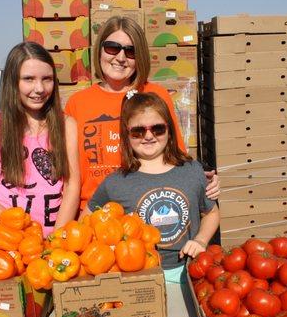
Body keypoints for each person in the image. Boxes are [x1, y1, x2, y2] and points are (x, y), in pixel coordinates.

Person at [64, 16, 219, 211]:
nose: (120, 58)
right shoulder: (77, 103)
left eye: (130, 51)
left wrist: (203, 179)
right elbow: (70, 176)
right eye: (112, 47)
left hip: (147, 208)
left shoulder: (155, 95)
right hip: (95, 214)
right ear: (99, 49)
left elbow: (175, 155)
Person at [83, 92, 219, 283]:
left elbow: (211, 213)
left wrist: (201, 241)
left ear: (169, 130)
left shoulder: (192, 170)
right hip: (138, 279)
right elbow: (85, 224)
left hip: (190, 272)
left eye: (157, 129)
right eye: (138, 131)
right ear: (127, 134)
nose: (148, 136)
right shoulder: (115, 183)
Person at [0, 42, 80, 236]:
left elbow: (72, 186)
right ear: (12, 82)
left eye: (47, 79)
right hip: (10, 239)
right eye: (28, 79)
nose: (39, 88)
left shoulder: (66, 125)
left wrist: (57, 238)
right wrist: (17, 227)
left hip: (54, 240)